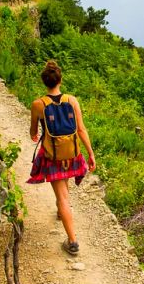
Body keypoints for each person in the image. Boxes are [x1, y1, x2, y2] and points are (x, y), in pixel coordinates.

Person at [27, 60, 96, 255]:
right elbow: (81, 129)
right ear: (60, 80)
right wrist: (90, 153)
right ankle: (60, 212)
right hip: (72, 153)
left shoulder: (38, 104)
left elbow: (33, 132)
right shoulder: (72, 100)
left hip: (52, 156)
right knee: (64, 193)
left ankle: (72, 242)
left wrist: (35, 134)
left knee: (63, 197)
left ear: (44, 82)